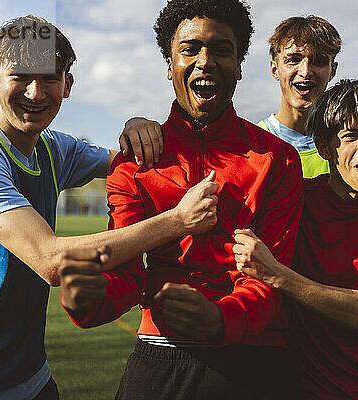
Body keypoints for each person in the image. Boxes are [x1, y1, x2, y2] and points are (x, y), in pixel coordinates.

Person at [0, 15, 219, 399]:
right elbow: (52, 261)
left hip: (33, 375)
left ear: (67, 84)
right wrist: (176, 222)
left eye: (49, 78)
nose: (35, 92)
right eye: (20, 76)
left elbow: (131, 166)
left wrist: (137, 126)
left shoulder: (53, 147)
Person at [59, 0, 304, 398]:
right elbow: (127, 273)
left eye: (221, 50)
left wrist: (219, 318)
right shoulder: (135, 164)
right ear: (170, 66)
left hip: (254, 359)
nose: (205, 61)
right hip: (161, 356)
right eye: (190, 49)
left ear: (239, 66)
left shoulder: (276, 160)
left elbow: (273, 279)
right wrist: (88, 298)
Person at [233, 79, 358, 399]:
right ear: (325, 147)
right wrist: (138, 127)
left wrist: (275, 273)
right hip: (279, 385)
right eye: (351, 135)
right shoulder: (296, 198)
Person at [258, 15, 358, 203]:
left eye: (318, 61)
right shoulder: (252, 145)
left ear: (333, 70)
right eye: (293, 60)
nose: (305, 71)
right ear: (275, 69)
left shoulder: (352, 145)